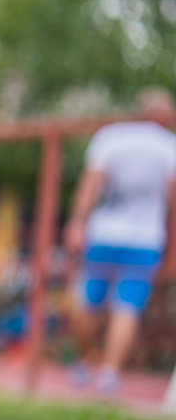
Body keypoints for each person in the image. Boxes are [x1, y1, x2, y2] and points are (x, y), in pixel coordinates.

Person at [63, 97, 176, 395]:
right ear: (165, 116)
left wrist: (77, 222)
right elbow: (173, 197)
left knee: (90, 302)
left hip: (103, 235)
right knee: (127, 307)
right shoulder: (168, 145)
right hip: (145, 240)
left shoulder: (111, 137)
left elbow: (90, 184)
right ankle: (109, 374)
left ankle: (86, 362)